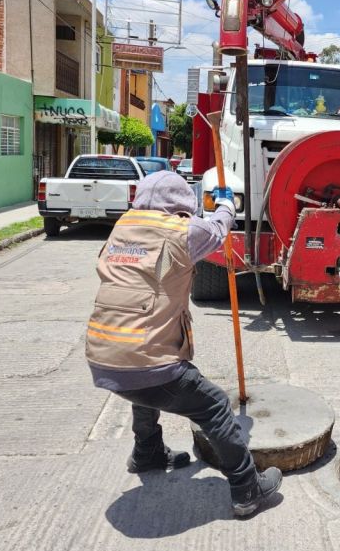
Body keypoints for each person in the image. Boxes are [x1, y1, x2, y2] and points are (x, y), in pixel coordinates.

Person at [85, 171, 282, 518]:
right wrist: (224, 202)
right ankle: (247, 488)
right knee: (214, 407)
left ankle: (147, 453)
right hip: (146, 359)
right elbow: (219, 229)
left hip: (103, 352)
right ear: (182, 206)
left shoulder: (123, 226)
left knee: (142, 388)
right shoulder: (184, 231)